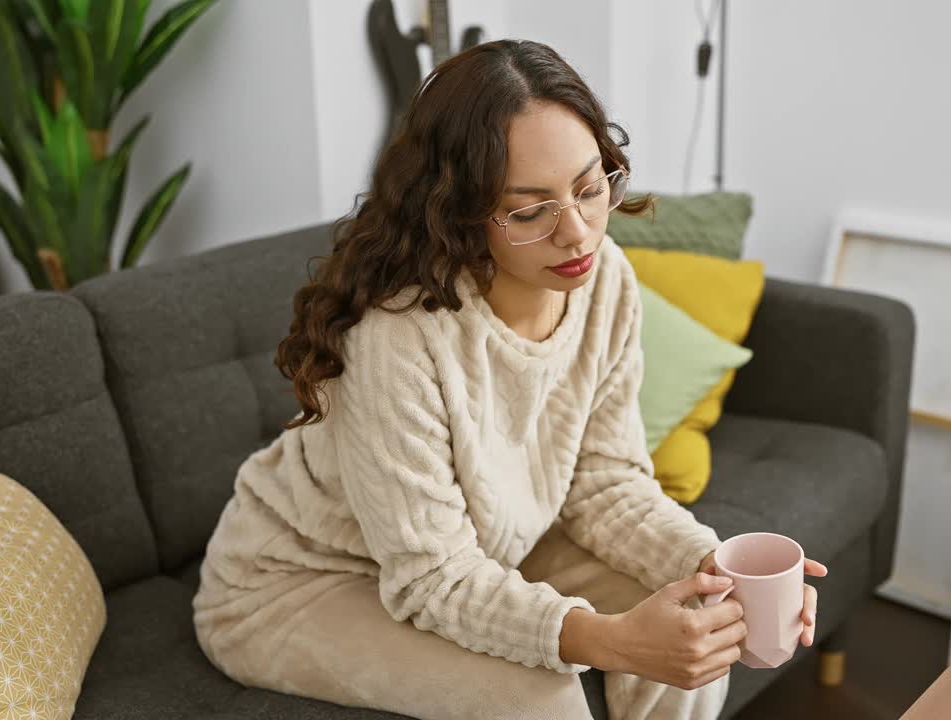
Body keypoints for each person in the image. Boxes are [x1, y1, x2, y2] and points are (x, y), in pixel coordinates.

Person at [191, 39, 826, 720]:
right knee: (539, 699)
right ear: (460, 212)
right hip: (302, 578)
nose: (578, 233)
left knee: (698, 616)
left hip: (493, 542)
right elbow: (434, 575)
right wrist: (609, 640)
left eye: (590, 188)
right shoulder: (397, 338)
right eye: (530, 212)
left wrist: (717, 567)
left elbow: (606, 484)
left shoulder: (606, 280)